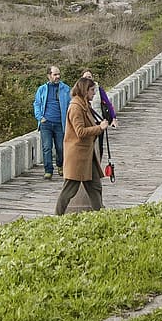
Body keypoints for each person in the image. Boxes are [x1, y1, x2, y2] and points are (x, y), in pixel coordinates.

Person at [55, 77, 109, 214]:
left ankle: (100, 213)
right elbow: (80, 131)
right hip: (78, 156)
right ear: (85, 90)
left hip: (87, 155)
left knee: (95, 186)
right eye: (91, 90)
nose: (94, 94)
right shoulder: (75, 107)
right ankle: (57, 215)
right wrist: (99, 128)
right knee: (69, 189)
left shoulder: (84, 105)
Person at [33, 64, 71, 180]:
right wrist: (40, 117)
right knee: (47, 147)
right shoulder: (42, 89)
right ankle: (48, 170)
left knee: (60, 147)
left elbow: (70, 104)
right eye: (55, 74)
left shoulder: (65, 89)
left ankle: (60, 165)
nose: (57, 76)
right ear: (49, 76)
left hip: (60, 123)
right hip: (46, 123)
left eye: (58, 74)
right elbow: (37, 104)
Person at [81, 69, 118, 161]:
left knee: (99, 145)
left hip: (99, 121)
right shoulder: (80, 91)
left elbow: (108, 104)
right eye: (86, 77)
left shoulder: (99, 89)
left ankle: (98, 163)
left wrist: (113, 118)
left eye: (90, 77)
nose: (88, 79)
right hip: (87, 122)